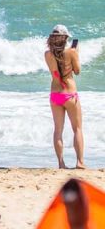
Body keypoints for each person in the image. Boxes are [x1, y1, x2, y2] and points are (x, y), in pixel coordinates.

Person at [44, 24, 84, 169]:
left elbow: (56, 70)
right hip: (69, 94)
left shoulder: (47, 54)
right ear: (65, 38)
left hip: (55, 95)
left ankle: (61, 163)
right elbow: (77, 71)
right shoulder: (71, 52)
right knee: (77, 129)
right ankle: (79, 162)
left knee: (58, 130)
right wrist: (76, 53)